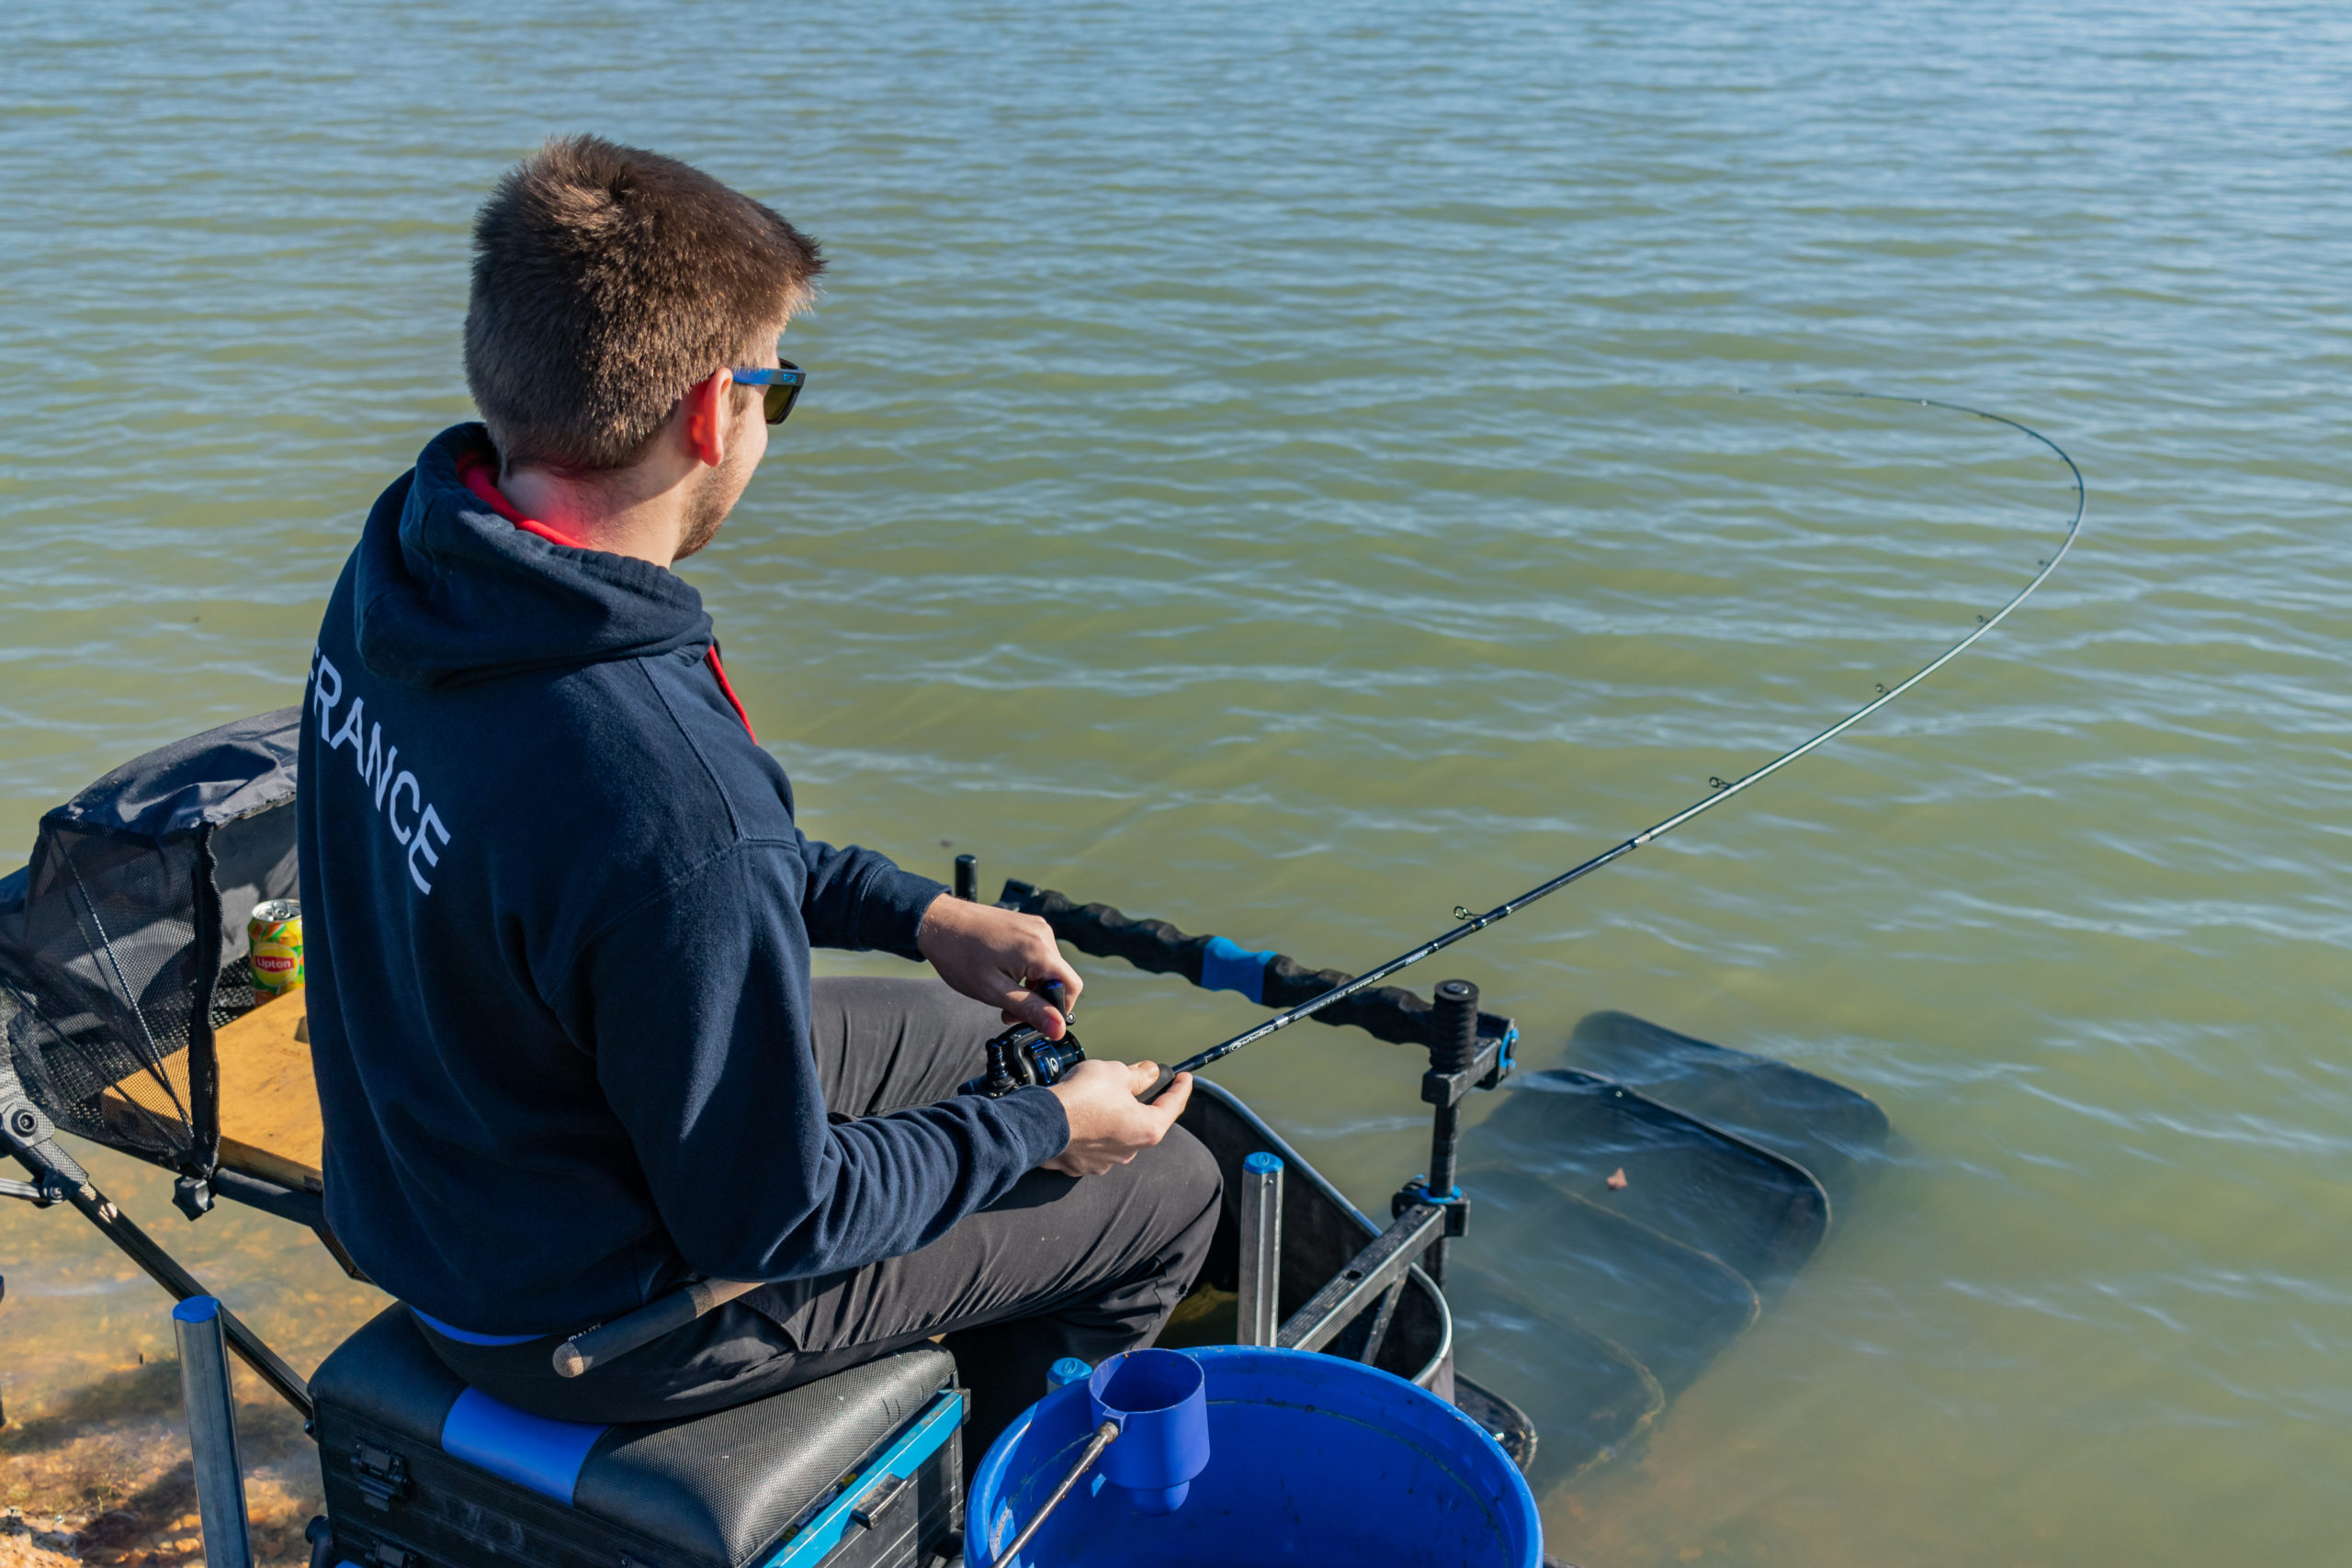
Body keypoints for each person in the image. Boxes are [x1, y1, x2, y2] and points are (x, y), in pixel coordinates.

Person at [294, 135, 1220, 1453]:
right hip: (583, 1326)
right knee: (1168, 1188)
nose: (763, 428)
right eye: (773, 394)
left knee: (973, 1049)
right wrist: (1042, 1133)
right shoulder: (667, 792)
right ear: (705, 409)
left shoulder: (415, 564)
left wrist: (919, 917)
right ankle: (1005, 1512)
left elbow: (627, 885)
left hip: (439, 1188)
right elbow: (770, 1220)